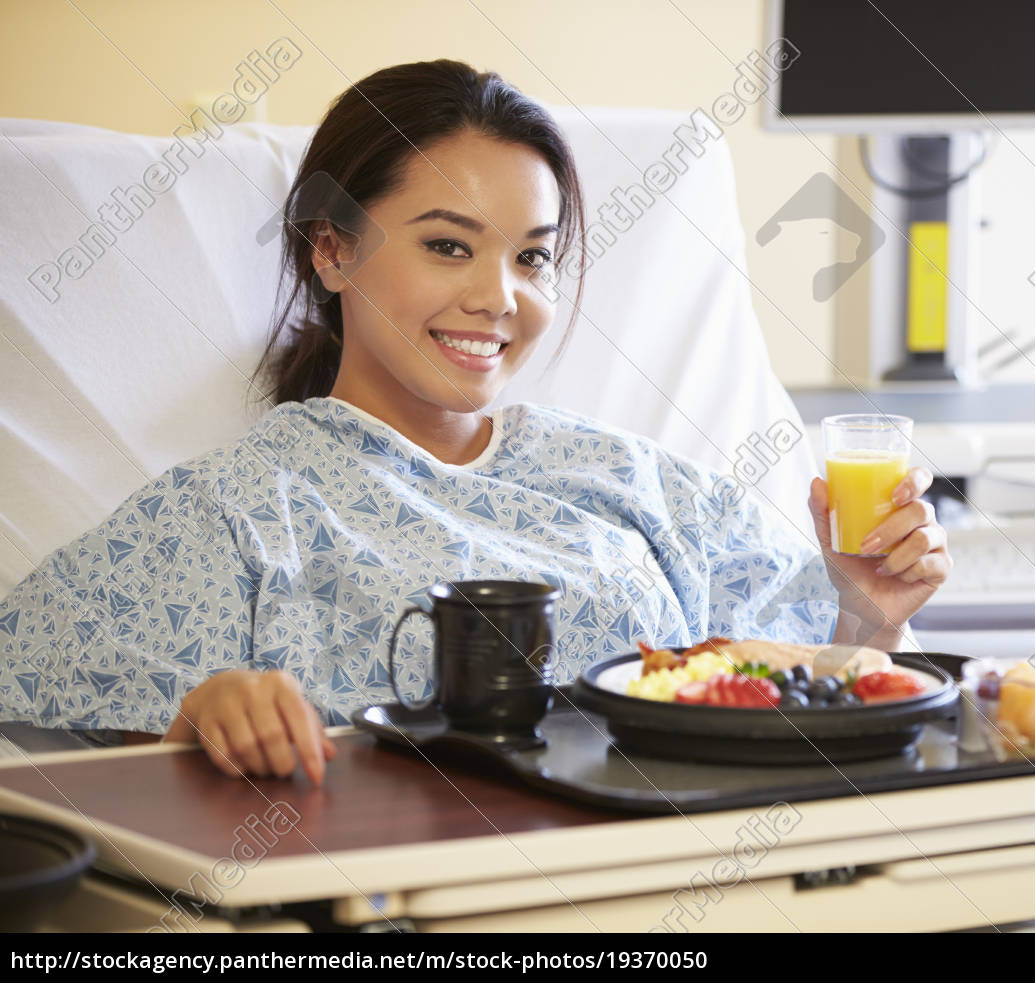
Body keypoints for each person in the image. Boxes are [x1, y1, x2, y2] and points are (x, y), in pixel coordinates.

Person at [0, 60, 950, 785]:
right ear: (331, 248)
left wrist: (867, 614)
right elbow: (126, 801)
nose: (498, 299)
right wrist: (200, 721)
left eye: (532, 260)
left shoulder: (635, 485)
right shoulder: (232, 511)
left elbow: (812, 710)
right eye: (448, 245)